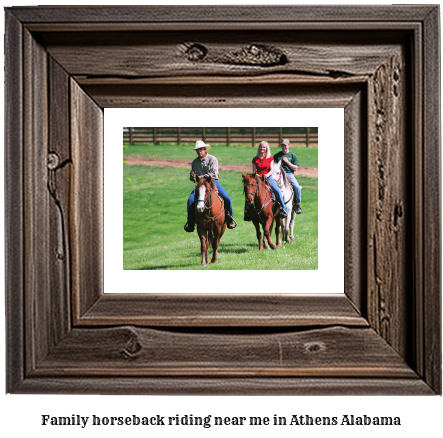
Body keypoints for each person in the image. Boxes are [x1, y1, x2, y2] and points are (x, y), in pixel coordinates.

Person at [184, 140, 237, 232]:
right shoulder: (194, 162)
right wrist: (192, 177)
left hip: (213, 182)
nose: (199, 151)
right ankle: (191, 222)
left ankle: (230, 219)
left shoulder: (212, 159)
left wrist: (201, 177)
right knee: (190, 200)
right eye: (197, 150)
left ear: (205, 149)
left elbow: (214, 174)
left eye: (201, 149)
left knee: (227, 198)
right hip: (200, 186)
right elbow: (192, 175)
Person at [244, 141, 287, 221]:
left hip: (268, 177)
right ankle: (247, 212)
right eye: (261, 147)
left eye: (264, 147)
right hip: (257, 178)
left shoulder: (270, 158)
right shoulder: (255, 159)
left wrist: (266, 175)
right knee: (249, 192)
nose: (262, 148)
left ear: (266, 148)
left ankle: (282, 209)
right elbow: (254, 172)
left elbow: (272, 170)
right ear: (259, 148)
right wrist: (257, 176)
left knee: (277, 191)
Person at [273, 138, 302, 214]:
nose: (284, 147)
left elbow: (295, 168)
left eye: (285, 145)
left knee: (297, 187)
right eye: (282, 145)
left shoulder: (292, 156)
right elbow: (273, 166)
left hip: (289, 174)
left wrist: (287, 162)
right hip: (279, 174)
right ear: (281, 146)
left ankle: (297, 204)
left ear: (288, 145)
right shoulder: (277, 156)